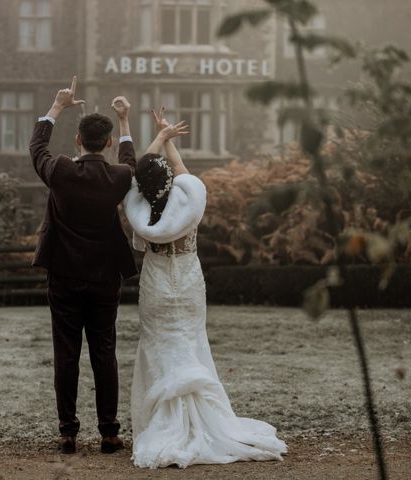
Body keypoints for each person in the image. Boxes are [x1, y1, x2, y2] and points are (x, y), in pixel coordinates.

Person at [123, 107, 288, 468]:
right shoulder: (189, 197)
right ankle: (204, 417)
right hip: (186, 277)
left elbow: (139, 174)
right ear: (170, 180)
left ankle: (161, 421)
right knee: (191, 339)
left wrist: (158, 140)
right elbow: (181, 174)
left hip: (156, 280)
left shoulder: (138, 207)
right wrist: (168, 140)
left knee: (158, 343)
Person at [28, 76, 137, 455]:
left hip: (64, 277)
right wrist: (124, 120)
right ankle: (109, 432)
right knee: (104, 352)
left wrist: (57, 106)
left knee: (67, 354)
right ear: (105, 143)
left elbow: (37, 147)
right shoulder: (118, 177)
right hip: (105, 278)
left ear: (78, 141)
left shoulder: (60, 170)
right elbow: (129, 161)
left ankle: (68, 432)